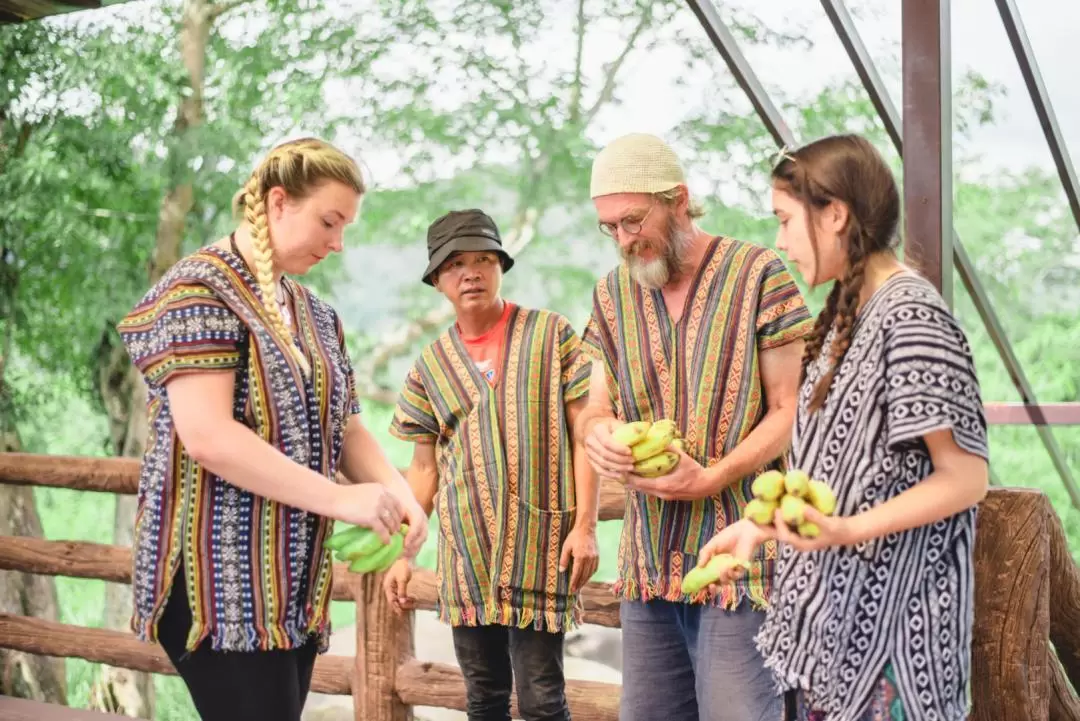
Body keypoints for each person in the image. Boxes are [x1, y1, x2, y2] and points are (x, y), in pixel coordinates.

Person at [117, 137, 428, 721]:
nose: (337, 244)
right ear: (279, 202)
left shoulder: (315, 313)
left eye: (346, 228)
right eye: (329, 222)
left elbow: (350, 430)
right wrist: (342, 498)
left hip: (291, 583)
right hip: (218, 583)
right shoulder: (198, 291)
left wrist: (400, 494)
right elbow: (209, 437)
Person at [696, 134, 990, 720]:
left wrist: (846, 531)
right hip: (829, 638)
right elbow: (845, 474)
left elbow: (965, 478)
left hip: (893, 651)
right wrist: (763, 531)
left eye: (784, 220)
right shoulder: (844, 317)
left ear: (835, 214)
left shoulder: (912, 318)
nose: (778, 243)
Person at [575, 132, 814, 721]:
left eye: (633, 220)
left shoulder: (760, 273)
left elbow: (790, 410)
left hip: (744, 563)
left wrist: (711, 477)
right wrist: (598, 437)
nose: (625, 240)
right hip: (648, 563)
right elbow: (593, 407)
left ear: (678, 199)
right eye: (611, 227)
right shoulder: (611, 296)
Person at [382, 208, 599, 721]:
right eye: (456, 264)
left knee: (544, 698)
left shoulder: (552, 336)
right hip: (468, 558)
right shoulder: (429, 367)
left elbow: (586, 434)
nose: (471, 273)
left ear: (502, 266)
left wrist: (586, 526)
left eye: (483, 259)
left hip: (540, 550)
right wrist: (402, 554)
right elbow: (424, 470)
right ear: (438, 281)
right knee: (483, 698)